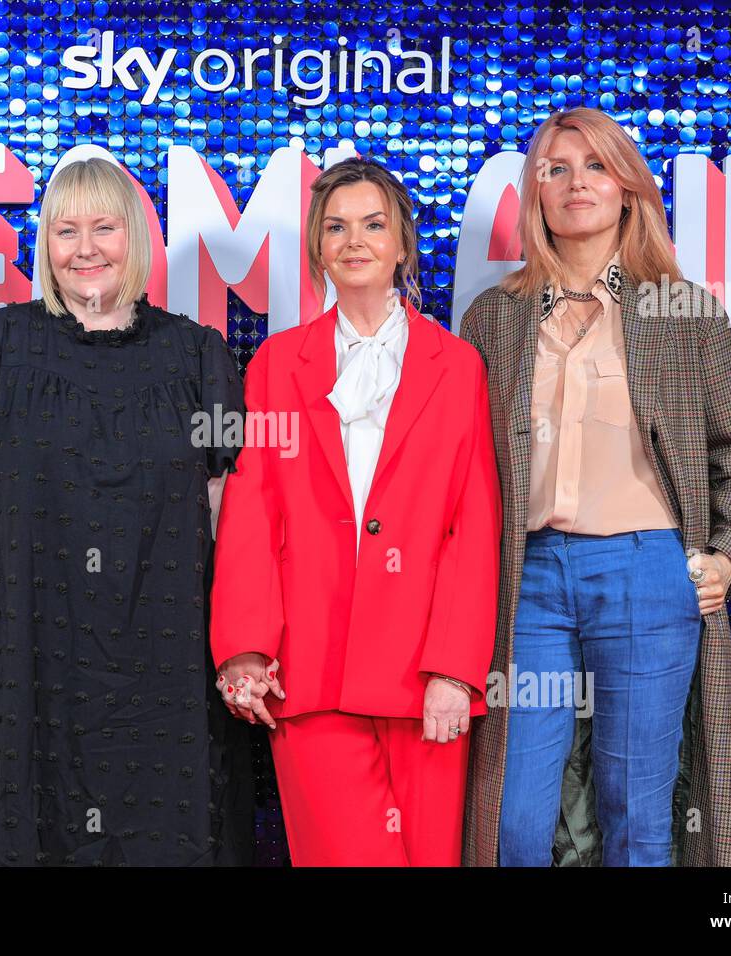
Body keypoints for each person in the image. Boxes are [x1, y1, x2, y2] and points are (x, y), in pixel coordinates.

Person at [0, 156, 254, 866]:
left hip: (167, 662)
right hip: (27, 653)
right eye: (65, 230)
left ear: (135, 236)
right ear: (45, 246)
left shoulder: (198, 356)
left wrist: (242, 646)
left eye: (104, 227)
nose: (85, 248)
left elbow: (228, 518)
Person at [459, 107, 731, 867]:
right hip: (526, 581)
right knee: (515, 819)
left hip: (646, 574)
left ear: (628, 187)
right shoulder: (492, 317)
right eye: (556, 169)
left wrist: (728, 559)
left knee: (637, 818)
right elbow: (462, 466)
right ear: (536, 192)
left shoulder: (684, 311)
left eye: (596, 166)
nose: (576, 184)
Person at [211, 156, 502, 866]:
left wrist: (456, 669)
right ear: (317, 246)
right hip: (310, 672)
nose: (354, 241)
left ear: (402, 242)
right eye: (336, 227)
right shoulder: (276, 364)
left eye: (373, 225)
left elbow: (474, 524)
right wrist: (245, 648)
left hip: (423, 676)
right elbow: (251, 513)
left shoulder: (457, 364)